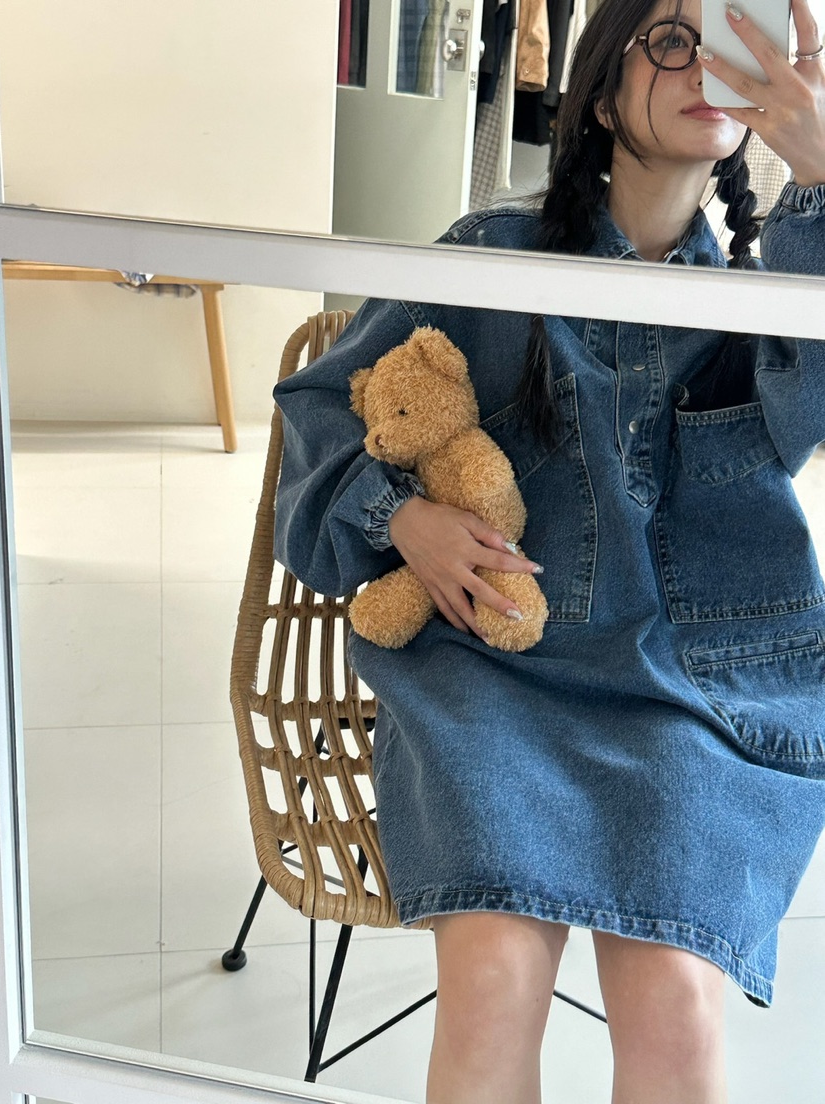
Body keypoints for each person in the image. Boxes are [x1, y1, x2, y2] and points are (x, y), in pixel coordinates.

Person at [272, 0, 825, 1099]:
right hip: (494, 677)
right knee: (491, 983)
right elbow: (317, 411)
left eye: (724, 45)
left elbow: (807, 411)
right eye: (672, 41)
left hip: (696, 694)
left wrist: (821, 181)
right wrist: (401, 520)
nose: (703, 69)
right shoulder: (495, 256)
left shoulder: (760, 299)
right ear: (600, 92)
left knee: (676, 1004)